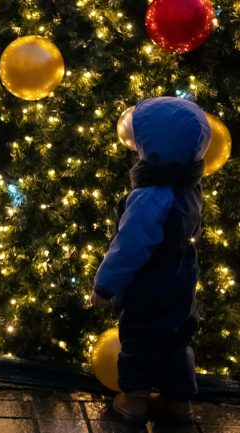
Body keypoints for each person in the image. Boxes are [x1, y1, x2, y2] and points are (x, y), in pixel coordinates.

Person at [91, 97, 210, 423]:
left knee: (140, 336)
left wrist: (105, 285)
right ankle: (179, 403)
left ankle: (134, 401)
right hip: (181, 278)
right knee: (177, 337)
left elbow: (131, 245)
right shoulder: (190, 185)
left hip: (150, 281)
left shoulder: (150, 195)